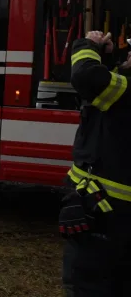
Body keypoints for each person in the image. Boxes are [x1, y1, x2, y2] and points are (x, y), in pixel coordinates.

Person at [61, 30, 131, 296]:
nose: (129, 53)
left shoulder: (124, 92)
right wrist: (109, 57)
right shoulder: (121, 93)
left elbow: (86, 77)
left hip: (107, 222)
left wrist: (87, 44)